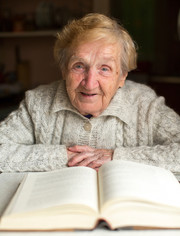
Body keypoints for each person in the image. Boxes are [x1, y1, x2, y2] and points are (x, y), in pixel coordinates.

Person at [0, 13, 180, 173]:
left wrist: (117, 157)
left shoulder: (145, 105)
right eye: (79, 66)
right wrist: (65, 156)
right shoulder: (38, 104)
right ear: (64, 69)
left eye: (104, 68)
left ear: (122, 76)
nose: (90, 82)